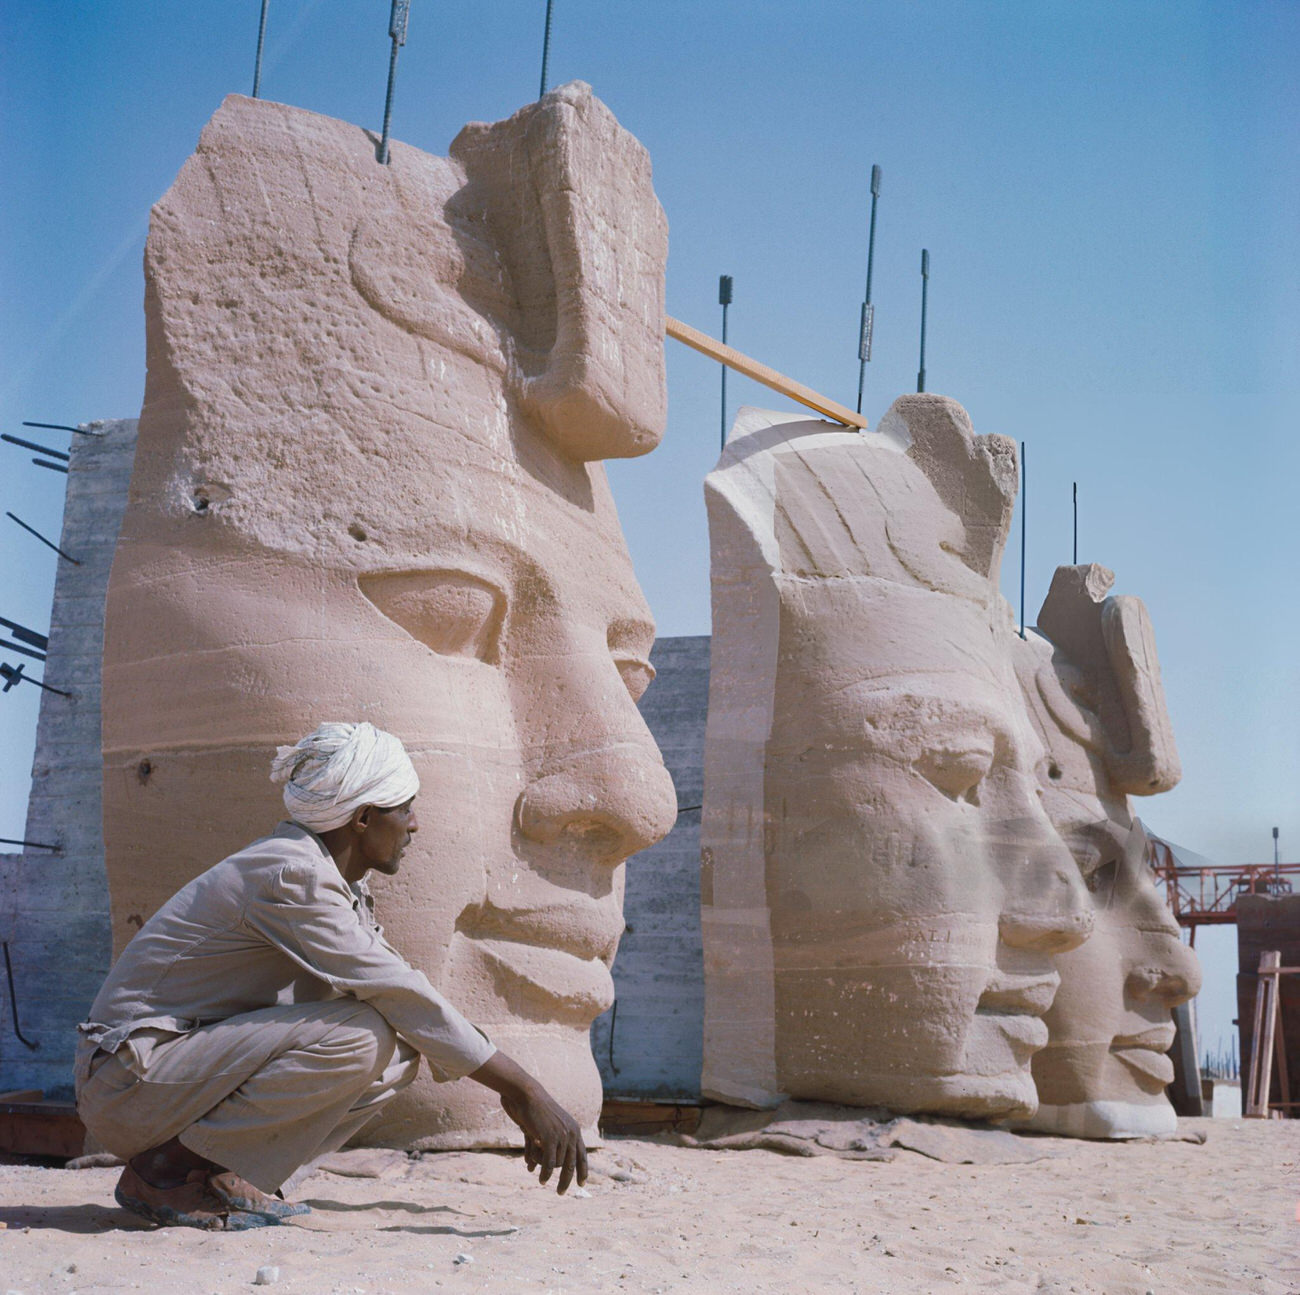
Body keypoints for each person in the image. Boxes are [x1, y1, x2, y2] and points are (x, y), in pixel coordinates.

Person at [76, 722, 587, 1231]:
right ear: (363, 818)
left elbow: (407, 1003)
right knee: (364, 1034)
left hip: (163, 1076)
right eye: (405, 808)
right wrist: (523, 1089)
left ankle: (223, 1173)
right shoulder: (291, 874)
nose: (415, 826)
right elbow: (399, 993)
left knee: (401, 1051)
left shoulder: (332, 884)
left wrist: (514, 1086)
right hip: (127, 1082)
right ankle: (166, 1174)